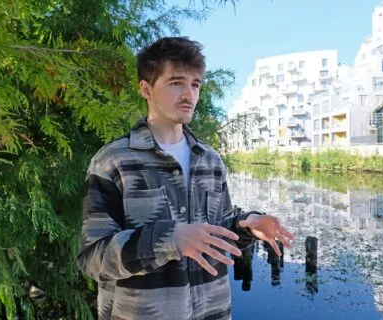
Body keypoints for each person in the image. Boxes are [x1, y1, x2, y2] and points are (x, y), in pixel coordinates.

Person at [77, 37, 294, 320]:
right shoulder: (113, 161)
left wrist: (245, 226)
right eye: (176, 82)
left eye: (195, 84)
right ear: (146, 89)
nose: (189, 94)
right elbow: (93, 258)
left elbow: (218, 230)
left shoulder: (211, 160)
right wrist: (171, 239)